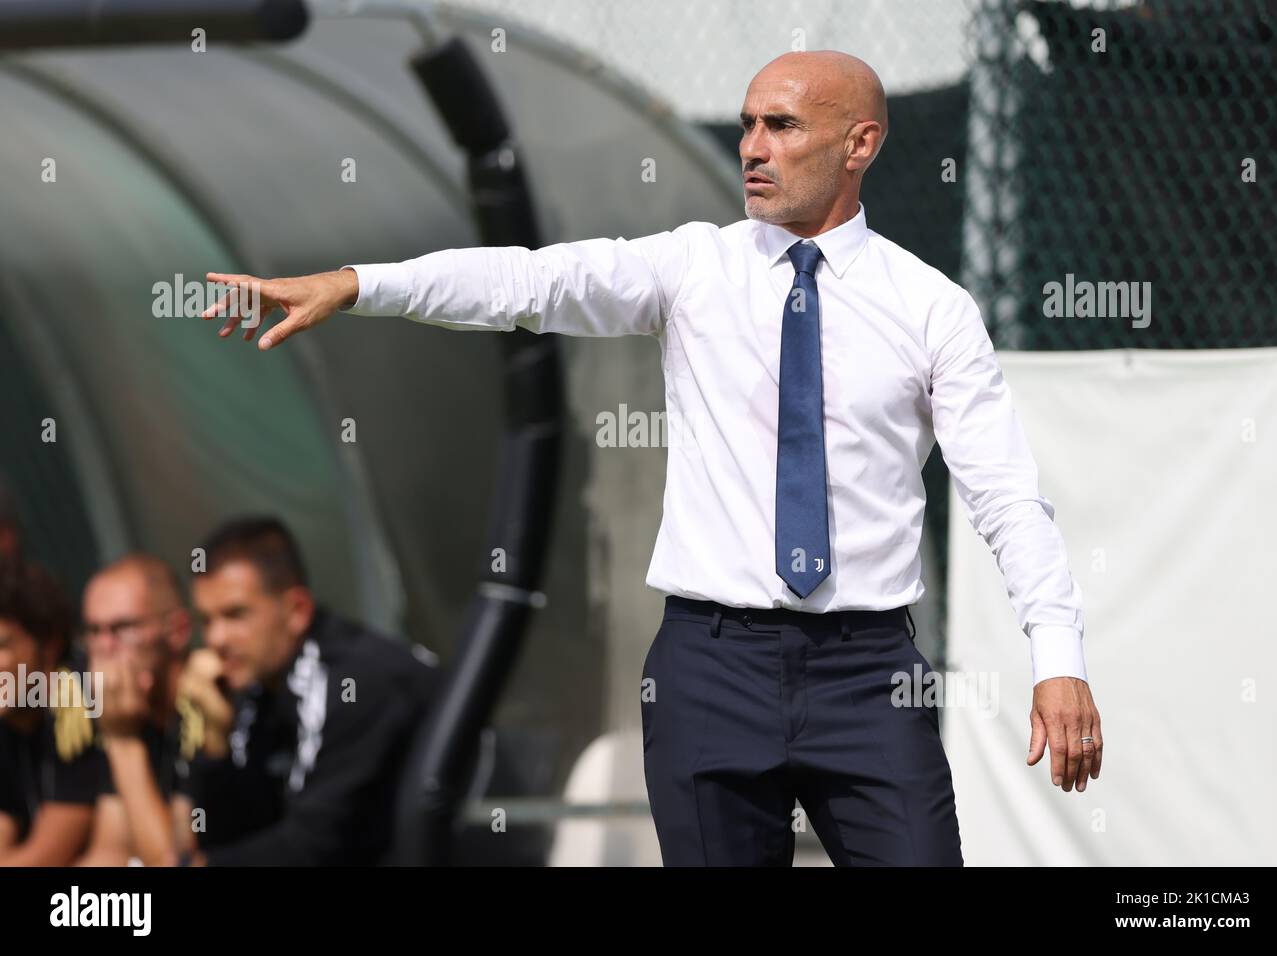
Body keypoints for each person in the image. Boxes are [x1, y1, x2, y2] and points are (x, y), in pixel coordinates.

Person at [198, 49, 1102, 866]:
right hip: (710, 664)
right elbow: (530, 281)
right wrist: (359, 284)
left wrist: (1056, 655)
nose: (753, 144)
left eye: (781, 126)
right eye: (747, 122)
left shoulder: (932, 306)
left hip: (869, 672)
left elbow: (1006, 496)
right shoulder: (692, 266)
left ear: (860, 143)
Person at [114, 516, 439, 866]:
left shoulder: (356, 682)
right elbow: (235, 830)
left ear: (296, 611)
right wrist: (215, 743)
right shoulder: (254, 686)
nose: (216, 640)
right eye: (207, 620)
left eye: (235, 615)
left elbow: (312, 849)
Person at [74, 554, 197, 866]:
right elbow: (109, 850)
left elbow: (172, 861)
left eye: (122, 627)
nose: (104, 647)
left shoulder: (208, 712)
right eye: (93, 631)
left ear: (178, 631)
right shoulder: (129, 713)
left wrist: (121, 741)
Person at [0, 557, 99, 865]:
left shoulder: (78, 703)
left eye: (1, 645)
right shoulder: (9, 718)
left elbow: (43, 858)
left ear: (50, 645)